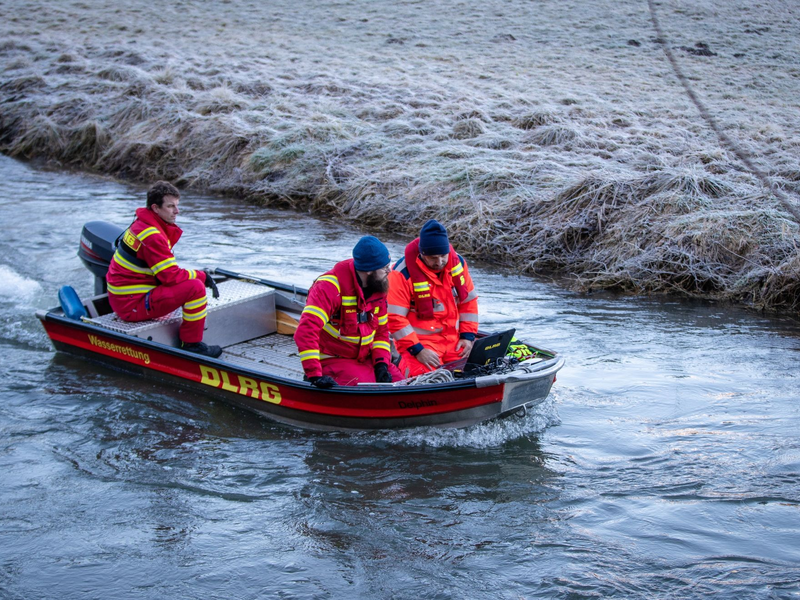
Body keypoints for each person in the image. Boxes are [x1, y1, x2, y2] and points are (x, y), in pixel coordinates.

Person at [105, 181, 221, 357]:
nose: (177, 211)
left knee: (190, 281)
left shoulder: (142, 223)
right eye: (170, 206)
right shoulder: (152, 236)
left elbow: (165, 271)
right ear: (155, 208)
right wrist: (202, 276)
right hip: (132, 305)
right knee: (195, 288)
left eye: (177, 205)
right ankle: (191, 345)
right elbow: (170, 276)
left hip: (124, 297)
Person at [294, 236, 403, 387]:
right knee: (367, 390)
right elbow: (306, 331)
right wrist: (314, 375)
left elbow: (381, 332)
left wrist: (381, 364)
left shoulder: (378, 287)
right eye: (385, 268)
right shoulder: (329, 288)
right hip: (333, 358)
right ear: (369, 270)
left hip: (365, 357)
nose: (389, 271)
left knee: (401, 383)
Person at [387, 219, 479, 377]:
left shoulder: (458, 264)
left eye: (443, 256)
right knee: (424, 378)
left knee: (475, 370)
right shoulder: (401, 274)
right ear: (422, 254)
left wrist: (467, 336)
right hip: (420, 344)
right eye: (433, 258)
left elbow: (468, 302)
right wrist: (418, 350)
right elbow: (394, 318)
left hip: (455, 340)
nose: (439, 262)